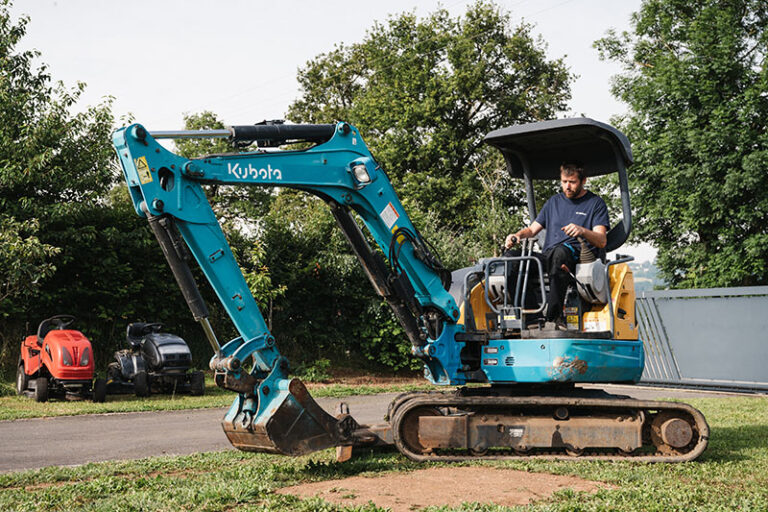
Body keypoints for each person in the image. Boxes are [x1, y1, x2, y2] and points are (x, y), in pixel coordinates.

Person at [504, 162, 609, 328]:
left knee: (559, 253)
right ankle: (532, 316)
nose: (567, 186)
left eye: (572, 182)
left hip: (576, 257)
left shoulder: (595, 204)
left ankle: (554, 317)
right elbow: (532, 230)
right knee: (510, 259)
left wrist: (582, 230)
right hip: (549, 255)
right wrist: (516, 235)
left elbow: (601, 240)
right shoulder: (553, 202)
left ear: (583, 181)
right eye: (564, 182)